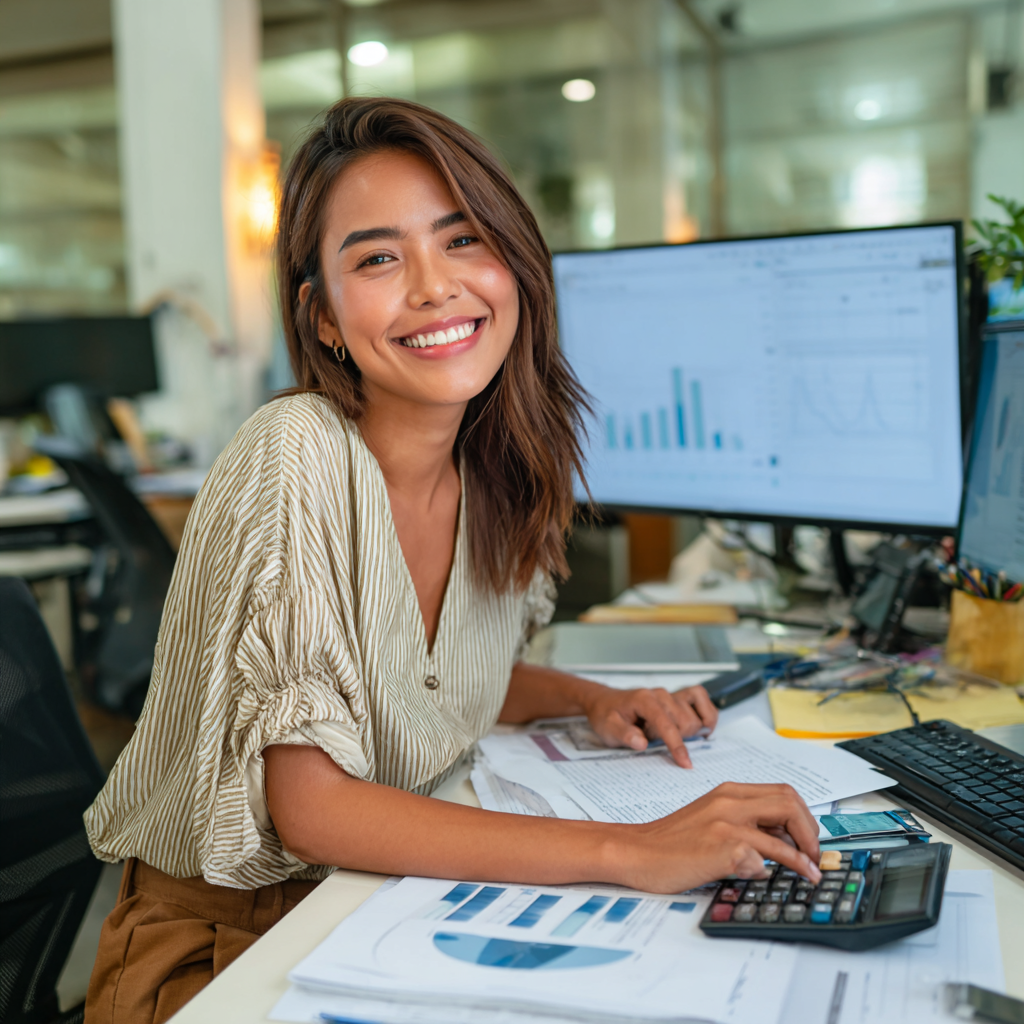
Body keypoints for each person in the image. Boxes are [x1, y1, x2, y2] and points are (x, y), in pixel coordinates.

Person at [83, 97, 820, 1024]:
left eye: (463, 239)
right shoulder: (296, 451)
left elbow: (430, 680)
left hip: (378, 903)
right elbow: (310, 805)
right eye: (379, 258)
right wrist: (635, 851)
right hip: (232, 950)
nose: (433, 287)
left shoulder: (493, 472)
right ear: (322, 320)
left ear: (514, 264)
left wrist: (590, 700)